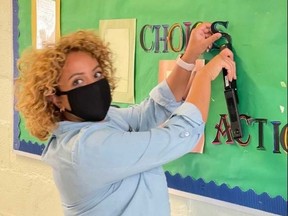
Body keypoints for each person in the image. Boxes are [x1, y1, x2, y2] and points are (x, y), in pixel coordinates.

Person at [15, 22, 236, 216]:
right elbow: (179, 135)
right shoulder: (86, 149)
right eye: (78, 82)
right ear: (55, 99)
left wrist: (190, 58)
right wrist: (205, 75)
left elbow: (150, 111)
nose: (93, 85)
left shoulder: (97, 122)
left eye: (97, 74)